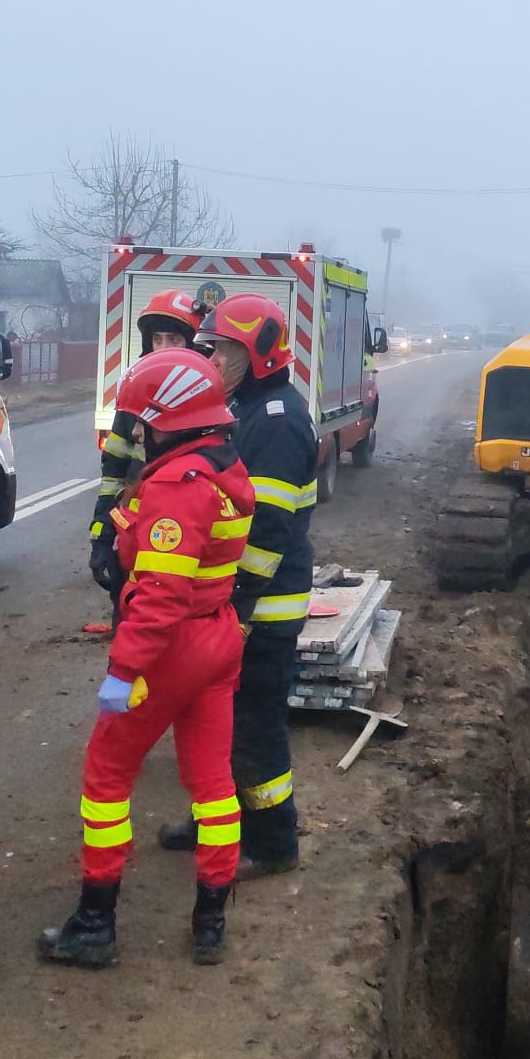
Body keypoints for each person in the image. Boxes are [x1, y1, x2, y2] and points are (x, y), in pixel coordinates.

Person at [40, 347, 254, 968]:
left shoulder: (176, 484)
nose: (137, 433)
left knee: (106, 776)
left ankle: (95, 923)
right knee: (213, 785)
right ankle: (210, 921)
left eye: (141, 422)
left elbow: (160, 596)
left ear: (167, 417)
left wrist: (124, 670)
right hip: (217, 636)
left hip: (170, 649)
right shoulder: (223, 466)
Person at [160, 292, 316, 879]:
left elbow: (268, 530)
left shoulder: (276, 421)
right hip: (241, 603)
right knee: (217, 722)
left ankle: (273, 843)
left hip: (264, 608)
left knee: (254, 727)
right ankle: (214, 819)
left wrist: (237, 602)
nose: (211, 360)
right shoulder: (244, 408)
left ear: (258, 354)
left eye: (222, 350)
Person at [89, 288, 202, 594]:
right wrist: (101, 536)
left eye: (174, 340)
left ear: (191, 343)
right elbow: (113, 475)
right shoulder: (135, 396)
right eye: (157, 339)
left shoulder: (206, 400)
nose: (163, 349)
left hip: (187, 538)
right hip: (135, 531)